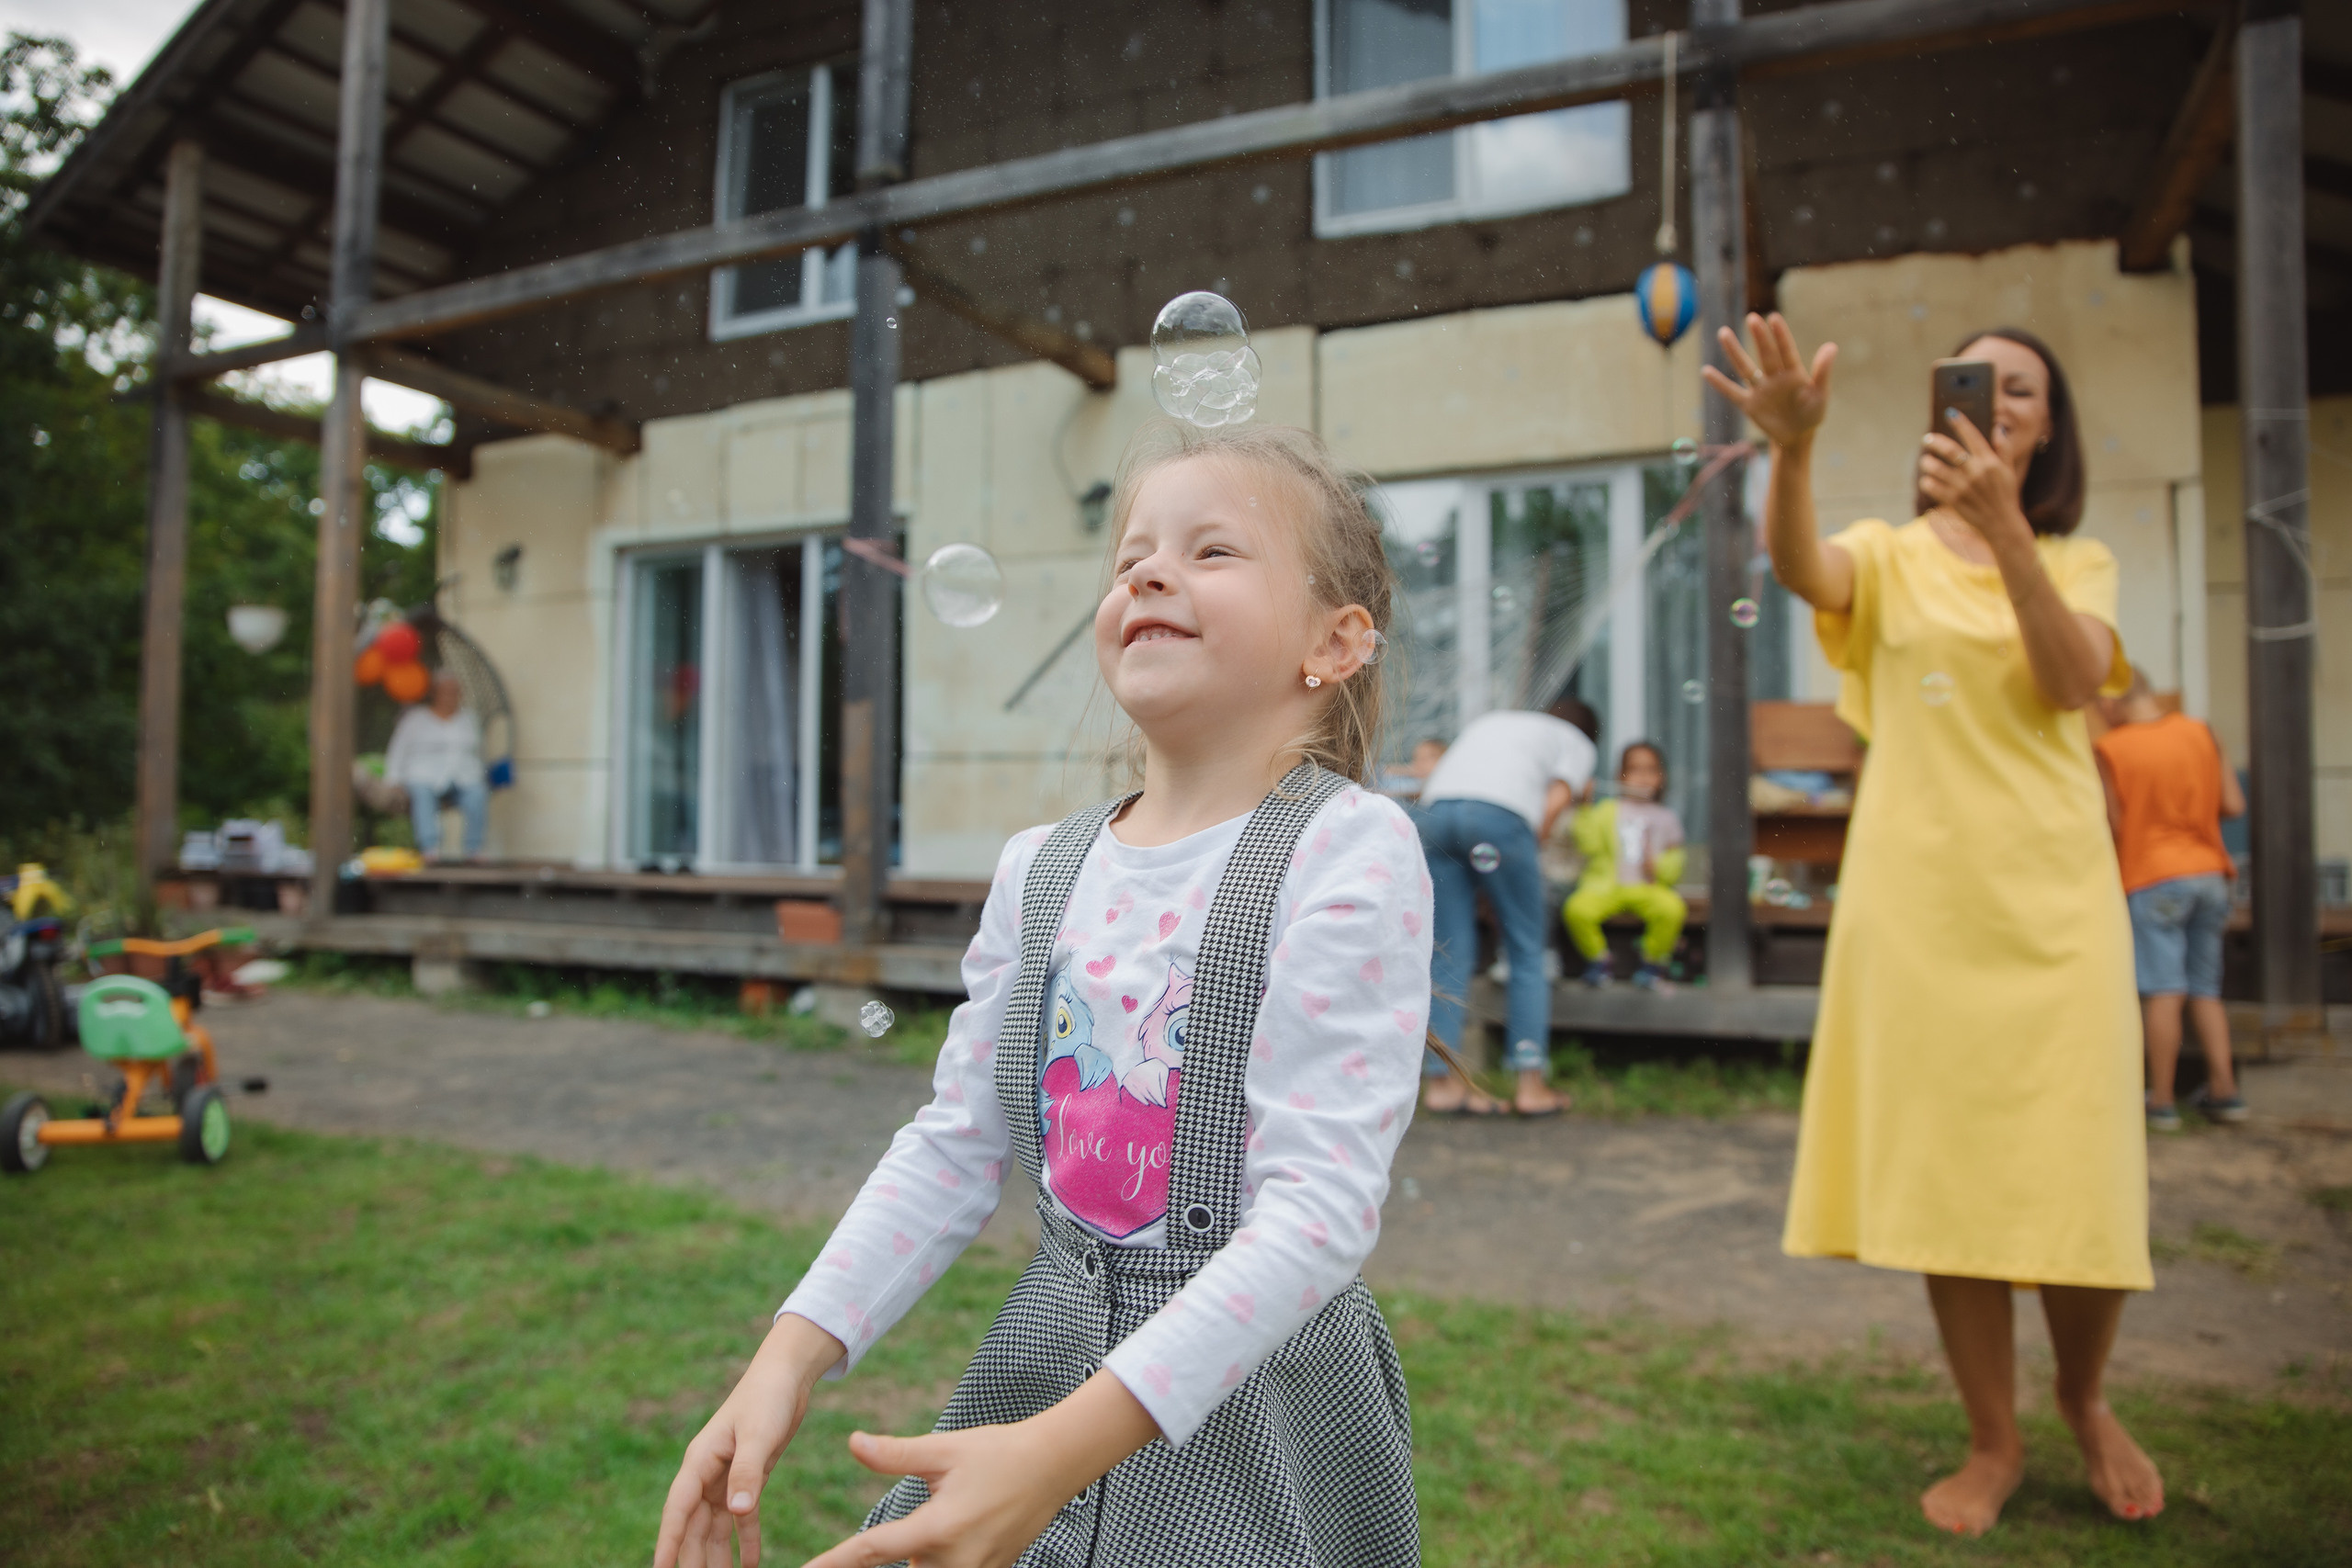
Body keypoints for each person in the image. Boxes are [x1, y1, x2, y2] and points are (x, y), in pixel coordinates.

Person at [654, 422, 1430, 1568]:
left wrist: (1064, 1450)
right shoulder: (1043, 868)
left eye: (1213, 553)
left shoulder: (1349, 851)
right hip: (1050, 1352)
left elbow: (1316, 1215)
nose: (1150, 573)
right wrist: (786, 1358)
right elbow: (952, 1146)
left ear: (1336, 638)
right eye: (1131, 559)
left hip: (1256, 1402)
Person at [1709, 313, 2163, 1536]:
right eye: (1981, 382)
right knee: (1955, 1175)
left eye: (2022, 389)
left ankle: (2081, 1394)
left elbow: (2074, 679)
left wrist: (2009, 528)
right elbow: (1806, 570)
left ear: (2049, 423)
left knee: (2074, 1165)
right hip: (1920, 908)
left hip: (2057, 905)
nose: (2000, 401)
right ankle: (1993, 1435)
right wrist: (1793, 451)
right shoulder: (1889, 553)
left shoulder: (2082, 561)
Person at [1415, 696, 1599, 1117]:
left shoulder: (1495, 721)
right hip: (1501, 817)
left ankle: (1443, 1086)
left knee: (1447, 950)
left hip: (1436, 813)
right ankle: (1531, 1085)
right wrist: (1519, 864)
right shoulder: (1578, 742)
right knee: (1527, 950)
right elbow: (1552, 805)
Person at [2094, 666, 2248, 1130]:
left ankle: (2160, 1101)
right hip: (2210, 872)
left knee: (2163, 989)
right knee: (2205, 988)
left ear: (2113, 700)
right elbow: (2234, 805)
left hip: (2154, 876)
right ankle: (2225, 1092)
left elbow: (2115, 824)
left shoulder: (2110, 749)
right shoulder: (2201, 732)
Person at [1566, 741, 1687, 990]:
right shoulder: (1606, 810)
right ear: (1620, 777)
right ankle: (1599, 960)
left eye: (1651, 770)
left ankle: (1652, 962)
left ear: (1661, 778)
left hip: (1648, 887)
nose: (1643, 777)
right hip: (1606, 886)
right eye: (1635, 769)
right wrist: (1584, 807)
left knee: (1672, 908)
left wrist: (1661, 866)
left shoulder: (1666, 817)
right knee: (1576, 909)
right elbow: (1588, 845)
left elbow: (1676, 858)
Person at [384, 670, 488, 861]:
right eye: (445, 691)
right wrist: (394, 779)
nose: (450, 697)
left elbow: (478, 752)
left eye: (455, 691)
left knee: (477, 794)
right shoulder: (415, 718)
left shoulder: (469, 719)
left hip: (462, 777)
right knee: (422, 794)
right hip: (423, 776)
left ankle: (474, 849)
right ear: (435, 693)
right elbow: (397, 750)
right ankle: (430, 848)